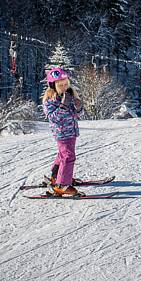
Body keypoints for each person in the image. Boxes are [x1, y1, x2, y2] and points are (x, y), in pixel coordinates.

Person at [42, 67, 84, 196]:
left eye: (66, 84)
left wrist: (79, 107)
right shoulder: (50, 100)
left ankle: (56, 177)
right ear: (53, 86)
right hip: (62, 133)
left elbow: (79, 114)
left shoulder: (69, 95)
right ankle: (62, 185)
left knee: (62, 155)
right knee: (68, 157)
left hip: (71, 131)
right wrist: (63, 106)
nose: (64, 87)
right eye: (60, 85)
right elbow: (53, 118)